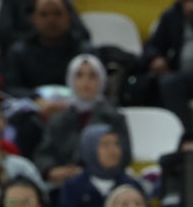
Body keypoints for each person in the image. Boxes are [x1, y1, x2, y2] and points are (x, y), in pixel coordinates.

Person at [36, 54, 126, 185]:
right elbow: (45, 153)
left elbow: (124, 155)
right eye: (79, 75)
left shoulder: (113, 117)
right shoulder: (59, 118)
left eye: (92, 76)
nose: (86, 81)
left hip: (103, 181)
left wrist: (87, 172)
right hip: (63, 183)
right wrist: (51, 171)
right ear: (71, 79)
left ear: (101, 80)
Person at [52, 124, 142, 207]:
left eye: (116, 144)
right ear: (90, 149)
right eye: (105, 145)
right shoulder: (73, 187)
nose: (113, 150)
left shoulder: (131, 186)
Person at [0, 0, 87, 95]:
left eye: (57, 13)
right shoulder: (19, 52)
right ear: (33, 18)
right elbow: (9, 88)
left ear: (69, 16)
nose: (51, 20)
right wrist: (36, 98)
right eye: (44, 14)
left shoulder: (84, 53)